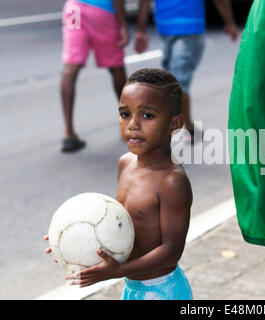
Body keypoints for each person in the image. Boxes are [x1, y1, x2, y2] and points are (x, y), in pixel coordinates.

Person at [45, 68, 193, 300]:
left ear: (174, 123)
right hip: (133, 287)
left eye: (147, 116)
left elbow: (171, 251)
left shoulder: (172, 181)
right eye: (125, 114)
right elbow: (118, 224)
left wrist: (117, 271)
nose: (133, 124)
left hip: (163, 290)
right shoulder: (125, 164)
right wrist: (72, 236)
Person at [133, 0, 239, 143]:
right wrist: (230, 22)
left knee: (175, 82)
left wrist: (141, 30)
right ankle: (184, 128)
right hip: (179, 29)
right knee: (175, 83)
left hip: (176, 28)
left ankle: (173, 129)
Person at [60, 0, 129, 152]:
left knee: (70, 67)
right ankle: (129, 125)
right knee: (116, 67)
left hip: (75, 9)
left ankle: (69, 134)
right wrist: (123, 25)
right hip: (101, 12)